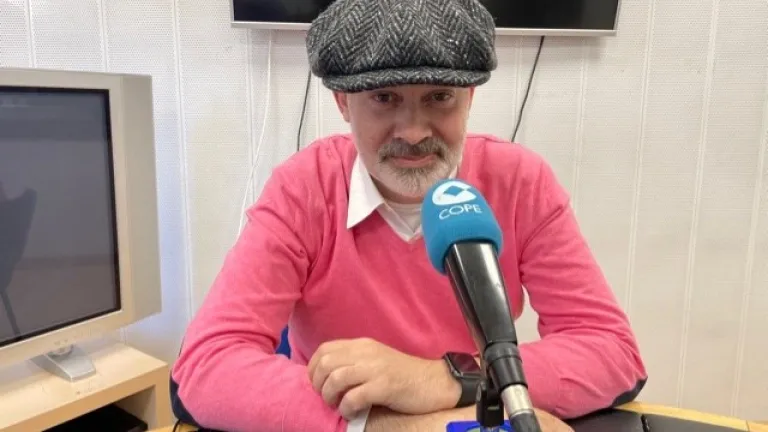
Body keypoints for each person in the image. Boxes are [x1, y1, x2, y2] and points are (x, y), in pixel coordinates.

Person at [170, 0, 648, 431]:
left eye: (439, 97)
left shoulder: (519, 181)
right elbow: (204, 368)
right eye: (384, 98)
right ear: (343, 103)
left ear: (470, 98)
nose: (415, 132)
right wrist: (395, 426)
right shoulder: (303, 189)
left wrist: (440, 380)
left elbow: (612, 352)